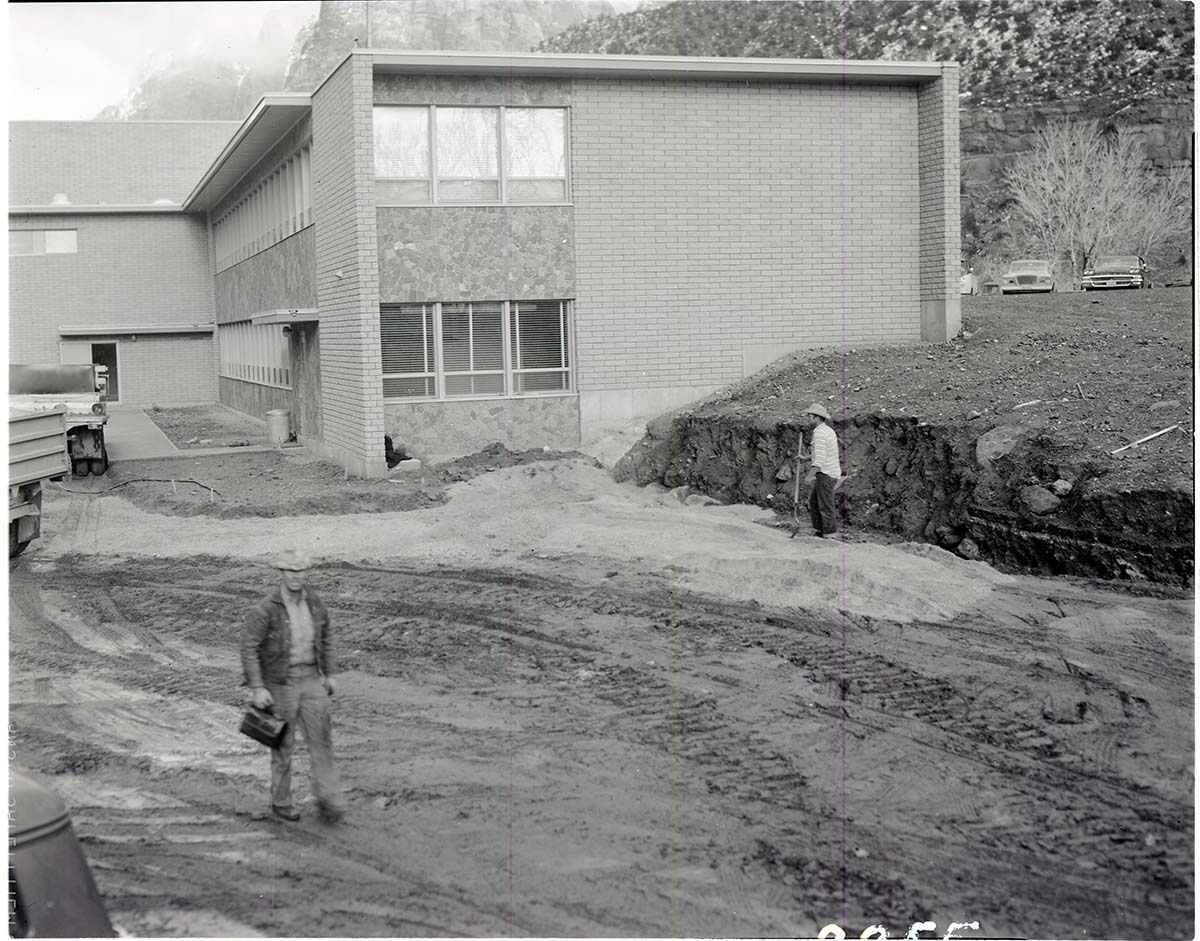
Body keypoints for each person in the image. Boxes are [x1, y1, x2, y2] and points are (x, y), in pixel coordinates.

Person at [241, 549, 345, 823]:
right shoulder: (266, 609)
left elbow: (327, 636)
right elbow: (249, 647)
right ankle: (281, 802)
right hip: (281, 683)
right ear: (281, 573)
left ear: (306, 573)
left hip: (312, 679)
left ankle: (329, 801)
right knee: (283, 746)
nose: (296, 577)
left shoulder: (314, 603)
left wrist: (331, 673)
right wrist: (258, 688)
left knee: (322, 741)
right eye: (290, 571)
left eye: (300, 571)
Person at [799, 403, 842, 538]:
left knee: (825, 505)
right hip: (828, 472)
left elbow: (820, 460)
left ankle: (830, 534)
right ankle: (820, 530)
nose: (808, 419)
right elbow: (822, 453)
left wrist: (809, 476)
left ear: (817, 418)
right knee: (814, 502)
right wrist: (805, 458)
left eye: (809, 417)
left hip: (826, 474)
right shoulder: (827, 430)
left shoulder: (819, 433)